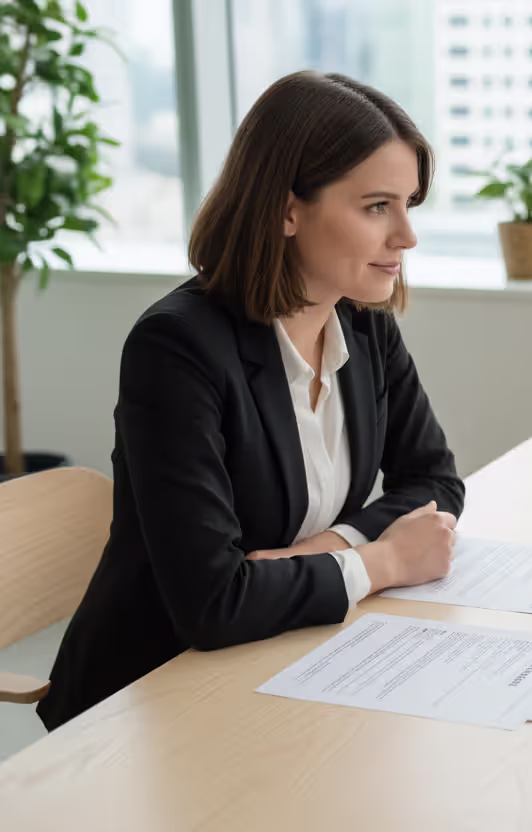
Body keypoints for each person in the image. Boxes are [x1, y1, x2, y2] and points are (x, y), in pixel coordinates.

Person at [37, 72, 464, 731]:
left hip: (289, 661)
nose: (406, 236)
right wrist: (379, 561)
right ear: (287, 209)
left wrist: (327, 548)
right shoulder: (177, 349)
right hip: (153, 699)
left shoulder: (363, 323)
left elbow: (434, 480)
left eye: (409, 204)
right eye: (377, 206)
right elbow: (213, 603)